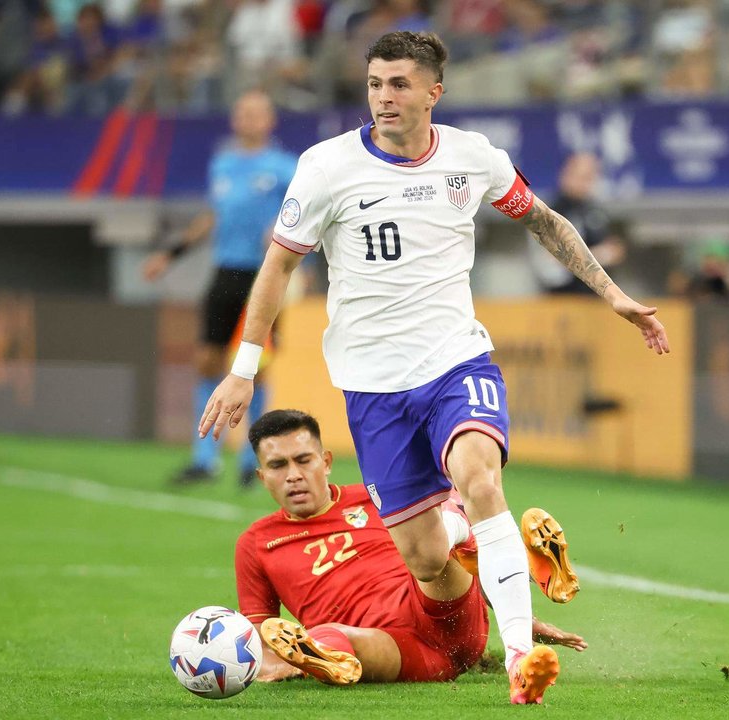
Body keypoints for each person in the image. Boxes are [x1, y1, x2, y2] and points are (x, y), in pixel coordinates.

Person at [201, 31, 668, 704]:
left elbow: (543, 221)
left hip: (455, 359)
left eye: (397, 84)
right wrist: (244, 368)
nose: (383, 98)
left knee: (478, 477)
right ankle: (493, 553)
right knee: (424, 557)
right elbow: (278, 264)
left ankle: (519, 659)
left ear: (431, 92)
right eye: (373, 84)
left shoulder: (470, 158)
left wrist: (613, 293)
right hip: (371, 384)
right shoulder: (326, 167)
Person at [237, 409, 587, 685]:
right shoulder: (255, 543)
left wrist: (520, 616)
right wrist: (275, 665)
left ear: (326, 462)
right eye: (278, 465)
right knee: (327, 637)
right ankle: (322, 659)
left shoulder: (378, 498)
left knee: (434, 546)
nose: (294, 475)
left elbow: (444, 568)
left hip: (438, 608)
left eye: (303, 460)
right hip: (388, 647)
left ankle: (501, 556)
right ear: (261, 476)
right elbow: (261, 633)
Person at [142, 89, 297, 487]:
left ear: (270, 121)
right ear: (235, 119)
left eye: (256, 113)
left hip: (265, 275)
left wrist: (290, 246)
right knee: (208, 361)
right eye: (243, 113)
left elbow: (304, 217)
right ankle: (205, 458)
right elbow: (213, 215)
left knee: (256, 369)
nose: (248, 120)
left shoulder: (285, 167)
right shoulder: (224, 164)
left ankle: (252, 458)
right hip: (224, 272)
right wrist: (172, 253)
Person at [535, 151, 626, 294]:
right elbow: (553, 260)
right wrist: (600, 255)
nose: (586, 183)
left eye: (591, 177)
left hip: (597, 294)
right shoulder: (552, 210)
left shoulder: (594, 208)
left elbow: (614, 249)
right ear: (566, 175)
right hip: (564, 294)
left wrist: (603, 254)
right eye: (582, 177)